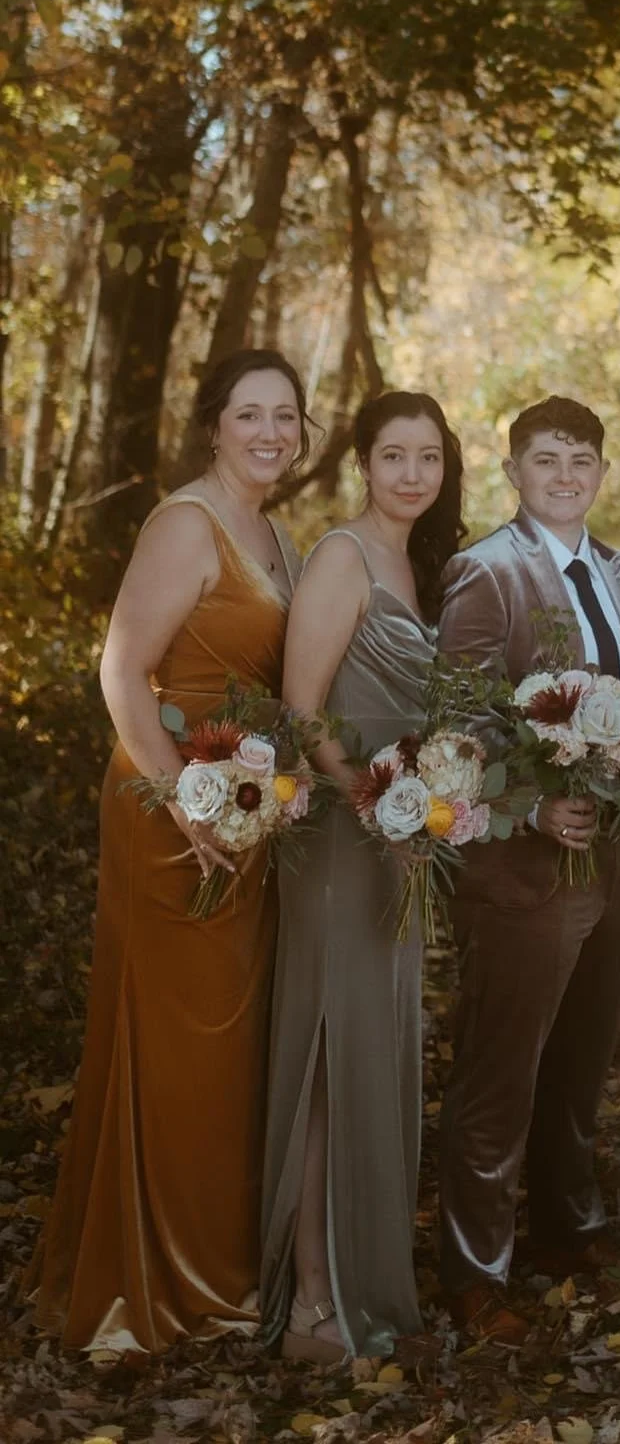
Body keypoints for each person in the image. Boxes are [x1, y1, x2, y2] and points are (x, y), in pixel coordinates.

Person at [24, 350, 308, 1352]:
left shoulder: (272, 533)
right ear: (213, 425)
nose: (269, 432)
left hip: (241, 806)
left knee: (229, 1054)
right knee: (177, 1047)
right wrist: (177, 800)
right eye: (249, 415)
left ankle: (217, 1275)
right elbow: (122, 669)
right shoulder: (187, 522)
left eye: (285, 416)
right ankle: (153, 1289)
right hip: (168, 809)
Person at [259, 391, 463, 1362]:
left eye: (428, 456)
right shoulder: (342, 556)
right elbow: (301, 712)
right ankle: (309, 1307)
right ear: (364, 463)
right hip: (342, 844)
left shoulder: (423, 569)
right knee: (332, 1064)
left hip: (400, 841)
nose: (412, 474)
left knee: (379, 1058)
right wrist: (372, 804)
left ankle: (369, 1288)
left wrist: (426, 808)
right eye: (394, 456)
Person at [436, 396, 620, 1343]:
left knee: (582, 1055)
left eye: (582, 460)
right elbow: (463, 723)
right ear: (513, 471)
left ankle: (570, 1225)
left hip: (612, 854)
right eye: (546, 460)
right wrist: (530, 805)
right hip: (522, 865)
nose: (565, 476)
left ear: (602, 472)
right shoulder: (487, 570)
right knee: (502, 1068)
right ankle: (477, 1270)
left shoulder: (616, 567)